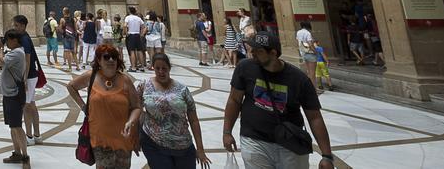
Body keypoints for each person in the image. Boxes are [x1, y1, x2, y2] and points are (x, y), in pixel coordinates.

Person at [223, 33, 336, 169]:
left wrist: (326, 155)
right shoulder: (245, 68)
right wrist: (227, 132)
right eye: (252, 49)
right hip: (254, 140)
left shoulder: (299, 79)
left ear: (273, 53)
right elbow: (234, 100)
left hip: (289, 144)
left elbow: (314, 117)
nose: (252, 53)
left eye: (258, 51)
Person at [66, 43, 140, 169]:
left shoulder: (125, 80)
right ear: (99, 60)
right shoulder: (91, 76)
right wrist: (83, 107)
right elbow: (71, 86)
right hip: (100, 138)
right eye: (106, 57)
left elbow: (136, 107)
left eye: (114, 57)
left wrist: (131, 122)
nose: (111, 60)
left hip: (123, 137)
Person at [138, 53, 210, 169]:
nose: (161, 71)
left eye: (164, 68)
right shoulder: (144, 86)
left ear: (169, 68)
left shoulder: (182, 89)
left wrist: (200, 149)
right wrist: (136, 136)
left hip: (183, 144)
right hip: (153, 142)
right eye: (157, 68)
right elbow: (137, 111)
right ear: (153, 68)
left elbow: (193, 119)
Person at [0, 30, 31, 166]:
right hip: (9, 93)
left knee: (17, 126)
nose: (6, 42)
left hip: (14, 95)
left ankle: (25, 156)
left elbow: (2, 61)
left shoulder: (17, 53)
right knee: (13, 126)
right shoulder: (16, 52)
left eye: (7, 40)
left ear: (14, 40)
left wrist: (0, 49)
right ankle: (17, 153)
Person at [11, 16, 43, 146]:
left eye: (17, 26)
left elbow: (27, 59)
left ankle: (29, 136)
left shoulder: (24, 39)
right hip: (32, 75)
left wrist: (24, 78)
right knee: (32, 105)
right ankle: (37, 135)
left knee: (26, 106)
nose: (15, 27)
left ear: (23, 26)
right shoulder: (25, 36)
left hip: (29, 76)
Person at [295, 22, 321, 94]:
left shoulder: (298, 32)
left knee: (308, 72)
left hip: (303, 53)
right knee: (312, 73)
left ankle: (310, 88)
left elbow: (298, 41)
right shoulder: (308, 33)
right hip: (310, 53)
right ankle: (314, 89)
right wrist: (315, 52)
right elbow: (310, 44)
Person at [124, 8, 146, 72]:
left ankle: (133, 67)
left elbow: (125, 25)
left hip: (131, 35)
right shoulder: (138, 18)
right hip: (137, 35)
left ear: (129, 11)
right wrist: (141, 33)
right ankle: (142, 67)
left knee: (132, 51)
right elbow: (143, 26)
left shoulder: (128, 17)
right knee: (139, 50)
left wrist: (126, 33)